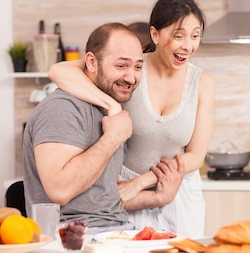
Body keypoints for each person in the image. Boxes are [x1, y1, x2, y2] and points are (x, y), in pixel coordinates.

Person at [48, 0, 215, 237]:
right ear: (155, 34)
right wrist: (111, 105)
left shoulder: (203, 82)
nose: (188, 45)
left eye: (195, 35)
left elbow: (195, 156)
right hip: (125, 193)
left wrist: (141, 182)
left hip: (177, 192)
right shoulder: (131, 69)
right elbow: (58, 71)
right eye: (178, 36)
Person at [23, 22, 185, 234]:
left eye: (137, 67)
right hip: (73, 236)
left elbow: (100, 198)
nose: (131, 77)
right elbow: (59, 190)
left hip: (112, 230)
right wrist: (112, 139)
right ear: (91, 62)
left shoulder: (107, 109)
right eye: (121, 66)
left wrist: (158, 197)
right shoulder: (63, 108)